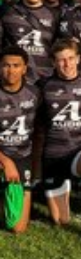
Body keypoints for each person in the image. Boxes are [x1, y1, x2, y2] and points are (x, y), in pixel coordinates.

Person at [41, 39, 81, 240]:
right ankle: (64, 183)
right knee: (61, 220)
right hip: (52, 156)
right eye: (61, 60)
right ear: (53, 62)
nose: (66, 64)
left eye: (70, 58)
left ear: (78, 59)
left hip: (78, 151)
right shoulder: (43, 85)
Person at [0, 46, 40, 233]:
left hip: (23, 156)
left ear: (24, 68)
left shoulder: (35, 94)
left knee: (18, 227)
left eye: (16, 65)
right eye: (6, 65)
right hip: (1, 155)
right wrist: (5, 161)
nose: (11, 70)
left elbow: (40, 130)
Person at [0, 0, 60, 85]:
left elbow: (59, 48)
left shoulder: (54, 15)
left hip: (47, 78)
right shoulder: (7, 13)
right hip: (17, 80)